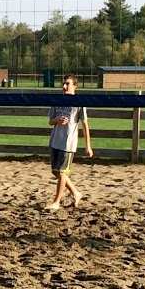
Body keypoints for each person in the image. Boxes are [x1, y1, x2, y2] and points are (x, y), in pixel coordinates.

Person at [47, 74, 93, 210]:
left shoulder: (79, 103)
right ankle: (76, 193)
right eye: (63, 83)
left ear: (75, 86)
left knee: (62, 173)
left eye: (67, 84)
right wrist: (57, 120)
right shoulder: (57, 100)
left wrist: (88, 146)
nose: (64, 86)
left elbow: (85, 125)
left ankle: (56, 202)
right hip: (55, 140)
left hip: (68, 143)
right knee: (55, 172)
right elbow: (50, 121)